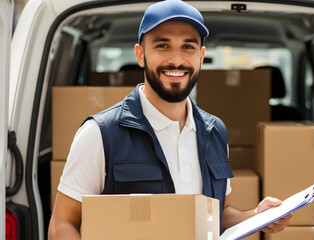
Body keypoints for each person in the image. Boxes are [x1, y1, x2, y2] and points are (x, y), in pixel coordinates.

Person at [48, 0, 292, 239]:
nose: (176, 60)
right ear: (141, 55)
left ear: (201, 56)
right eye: (163, 46)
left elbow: (218, 215)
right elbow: (62, 225)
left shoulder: (215, 132)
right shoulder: (100, 134)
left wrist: (257, 216)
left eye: (188, 47)